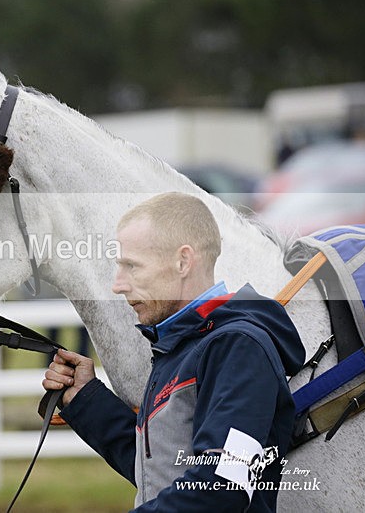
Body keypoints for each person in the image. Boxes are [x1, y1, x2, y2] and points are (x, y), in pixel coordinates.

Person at [43, 192, 305, 512]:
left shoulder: (237, 347)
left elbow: (223, 486)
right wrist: (85, 399)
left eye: (132, 266)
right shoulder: (180, 345)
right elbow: (158, 473)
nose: (118, 284)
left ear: (183, 261)